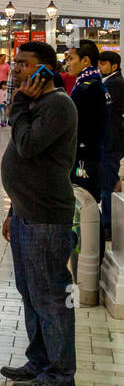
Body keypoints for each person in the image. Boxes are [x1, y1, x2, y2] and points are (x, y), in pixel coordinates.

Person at [1, 41, 78, 386]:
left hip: (46, 218)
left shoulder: (58, 105)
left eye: (24, 64)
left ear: (46, 69)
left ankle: (60, 377)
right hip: (26, 213)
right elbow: (23, 158)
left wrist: (18, 103)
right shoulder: (37, 103)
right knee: (31, 294)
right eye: (15, 63)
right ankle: (40, 361)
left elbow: (27, 146)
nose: (17, 69)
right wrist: (13, 209)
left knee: (50, 298)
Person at [66, 40, 107, 201]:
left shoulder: (86, 88)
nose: (67, 64)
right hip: (94, 153)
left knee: (84, 201)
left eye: (71, 59)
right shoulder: (96, 83)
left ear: (85, 61)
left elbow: (80, 126)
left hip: (85, 156)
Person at [100, 50, 124, 241]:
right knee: (107, 181)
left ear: (114, 66)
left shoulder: (115, 83)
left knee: (108, 183)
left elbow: (103, 107)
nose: (99, 67)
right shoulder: (109, 81)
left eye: (103, 63)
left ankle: (109, 225)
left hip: (111, 140)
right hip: (109, 140)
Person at [0, 53, 11, 126]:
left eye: (5, 58)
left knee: (4, 96)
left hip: (4, 84)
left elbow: (9, 73)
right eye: (3, 57)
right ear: (0, 57)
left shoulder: (7, 65)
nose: (4, 59)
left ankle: (4, 119)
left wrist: (7, 80)